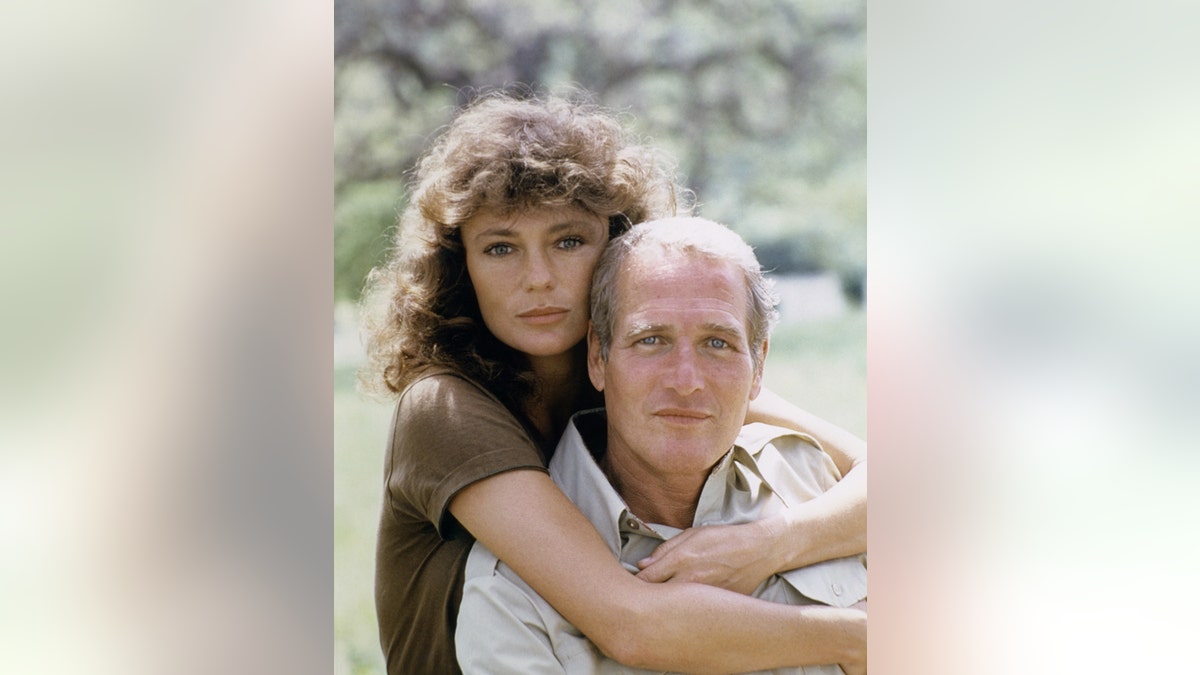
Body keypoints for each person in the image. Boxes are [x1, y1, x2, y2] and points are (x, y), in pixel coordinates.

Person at [359, 89, 868, 675]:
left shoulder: (654, 371)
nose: (539, 279)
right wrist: (858, 639)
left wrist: (768, 544)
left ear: (615, 246)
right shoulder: (444, 409)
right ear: (460, 265)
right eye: (501, 248)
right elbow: (632, 622)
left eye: (568, 241)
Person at [455, 217, 867, 674]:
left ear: (759, 364)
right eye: (651, 340)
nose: (686, 382)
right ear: (597, 355)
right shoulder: (514, 595)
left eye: (718, 342)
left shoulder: (811, 476)